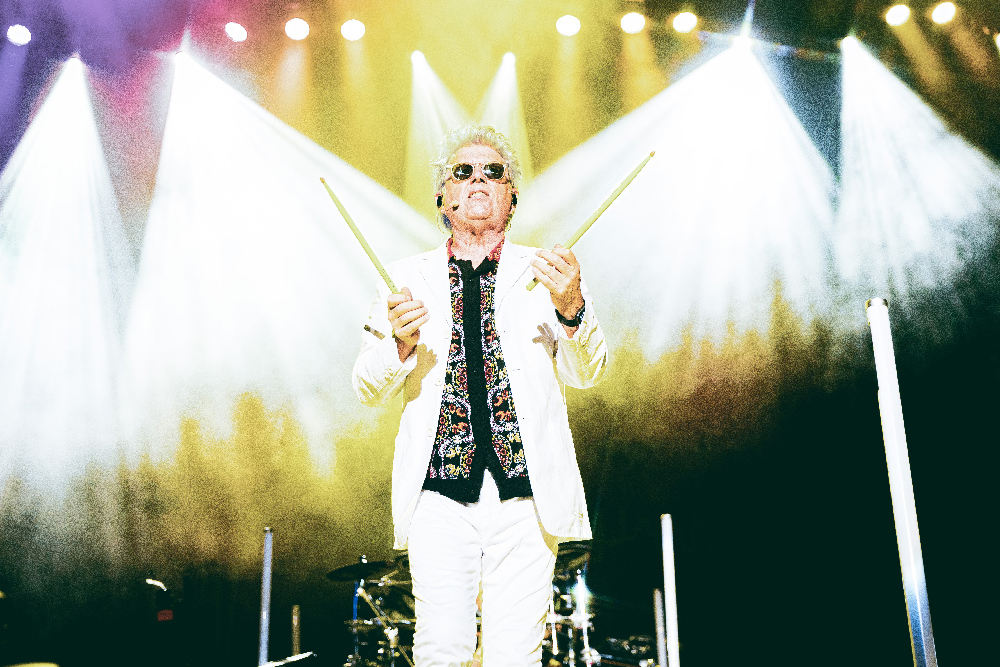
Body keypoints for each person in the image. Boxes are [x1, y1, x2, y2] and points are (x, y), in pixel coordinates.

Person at [353, 125, 607, 667]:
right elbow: (365, 387)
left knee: (515, 655)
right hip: (438, 497)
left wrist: (572, 308)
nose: (478, 180)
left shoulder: (547, 273)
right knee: (441, 649)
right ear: (442, 197)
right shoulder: (404, 280)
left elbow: (589, 372)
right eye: (462, 171)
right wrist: (399, 345)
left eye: (494, 172)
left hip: (527, 497)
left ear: (512, 197)